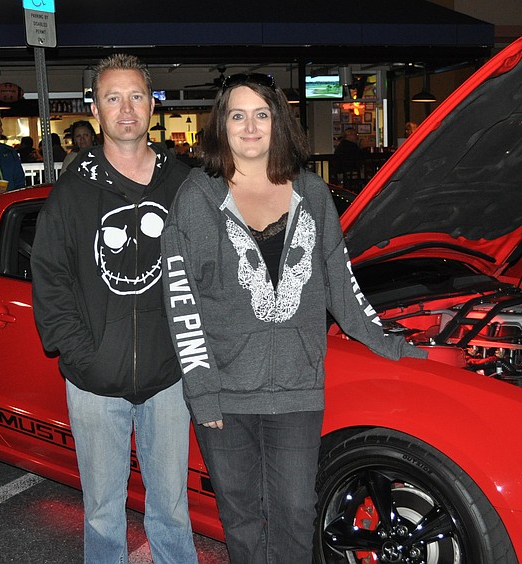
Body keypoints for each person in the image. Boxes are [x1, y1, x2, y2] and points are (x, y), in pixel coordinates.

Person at [160, 73, 427, 563]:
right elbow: (182, 302)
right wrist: (201, 389)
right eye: (237, 115)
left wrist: (392, 344)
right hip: (225, 391)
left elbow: (341, 286)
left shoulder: (311, 192)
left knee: (296, 513)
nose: (249, 127)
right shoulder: (197, 197)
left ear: (279, 122)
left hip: (298, 388)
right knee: (241, 519)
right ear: (221, 125)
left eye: (261, 114)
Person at [30, 54, 198, 564]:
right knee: (102, 511)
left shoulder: (185, 184)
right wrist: (84, 356)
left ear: (153, 104)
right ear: (95, 108)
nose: (126, 109)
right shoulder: (73, 191)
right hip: (93, 384)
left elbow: (207, 275)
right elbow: (50, 277)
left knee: (171, 507)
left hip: (168, 380)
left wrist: (188, 353)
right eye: (113, 98)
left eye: (136, 96)